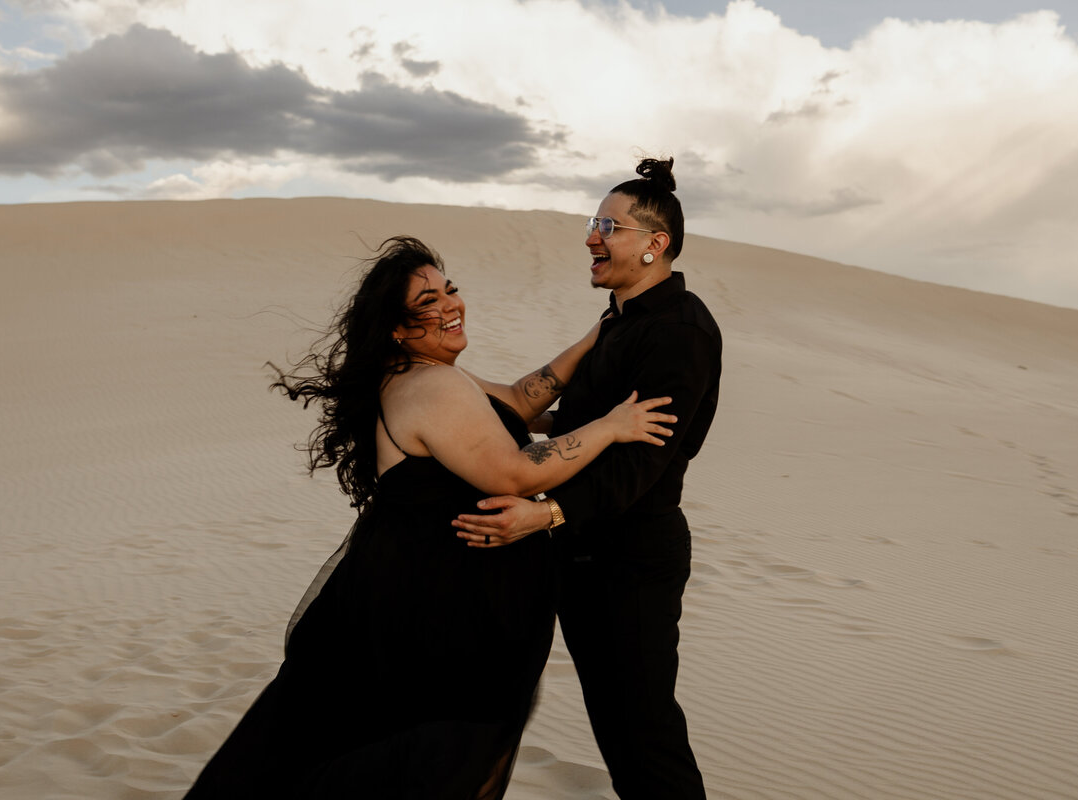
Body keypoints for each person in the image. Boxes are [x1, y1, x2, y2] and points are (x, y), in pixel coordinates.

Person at [185, 236, 676, 799]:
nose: (450, 305)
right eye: (427, 302)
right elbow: (514, 473)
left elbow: (517, 400)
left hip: (428, 608)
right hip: (433, 623)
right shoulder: (430, 386)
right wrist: (613, 426)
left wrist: (598, 333)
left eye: (450, 290)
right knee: (426, 763)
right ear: (397, 326)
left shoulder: (426, 376)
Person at [454, 158, 721, 799]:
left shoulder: (678, 331)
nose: (591, 237)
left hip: (629, 559)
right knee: (616, 729)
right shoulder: (618, 320)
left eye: (609, 225)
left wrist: (542, 513)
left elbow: (639, 465)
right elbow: (588, 419)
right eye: (592, 221)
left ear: (655, 245)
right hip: (582, 551)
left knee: (644, 737)